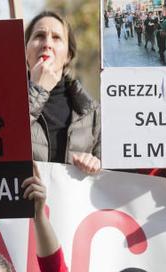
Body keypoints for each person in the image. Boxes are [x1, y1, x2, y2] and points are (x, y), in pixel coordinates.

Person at [25, 11, 101, 174]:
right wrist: (38, 90)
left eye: (56, 37)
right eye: (39, 36)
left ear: (68, 55)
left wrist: (96, 165)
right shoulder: (5, 102)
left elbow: (112, 178)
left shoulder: (91, 112)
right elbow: (4, 146)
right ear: (25, 50)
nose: (47, 44)